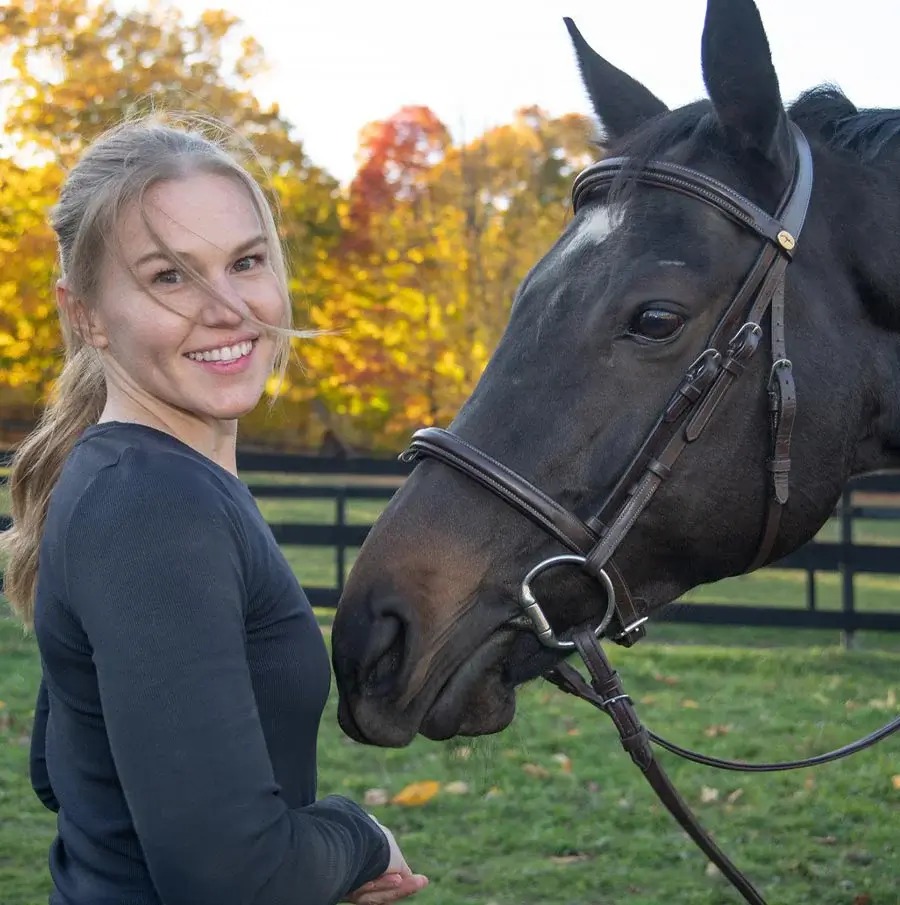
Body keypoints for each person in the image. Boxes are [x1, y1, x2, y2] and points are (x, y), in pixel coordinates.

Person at [0, 113, 429, 905]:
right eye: (170, 275)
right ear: (85, 312)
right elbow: (231, 880)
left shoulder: (128, 476)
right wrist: (359, 837)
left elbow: (68, 773)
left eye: (247, 261)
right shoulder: (150, 503)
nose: (227, 306)